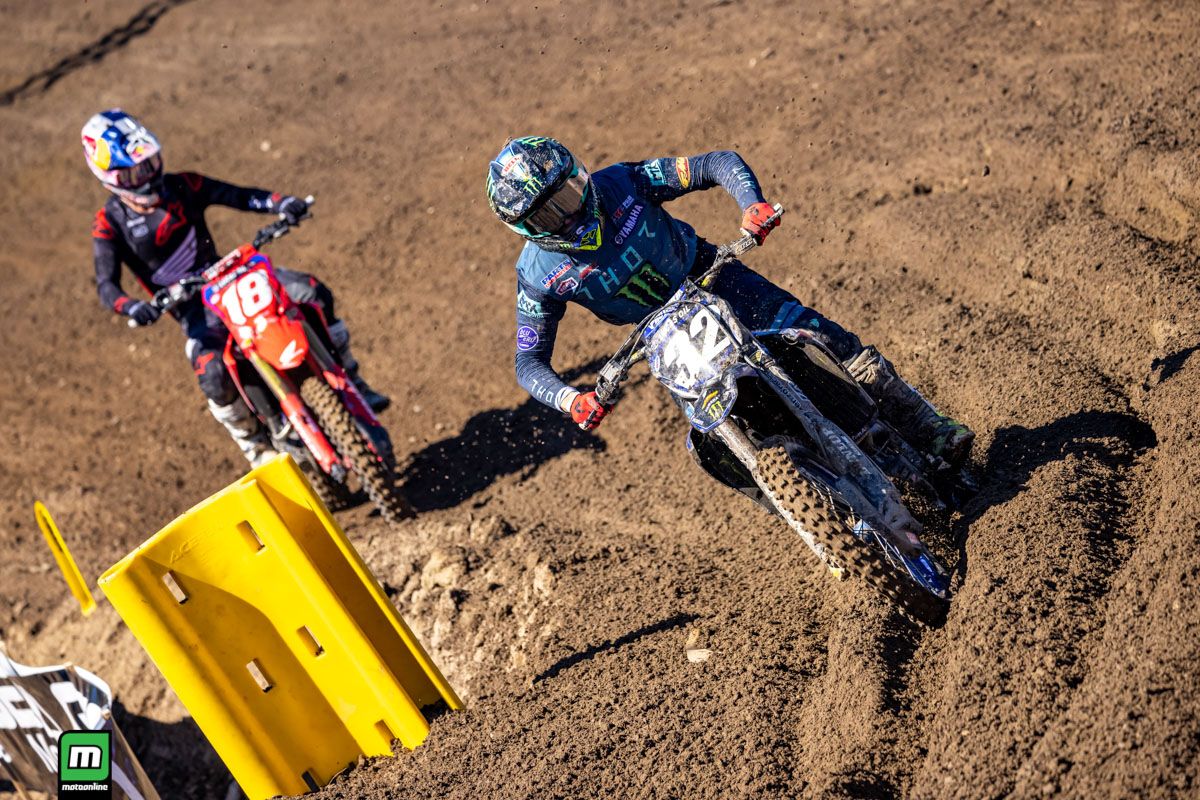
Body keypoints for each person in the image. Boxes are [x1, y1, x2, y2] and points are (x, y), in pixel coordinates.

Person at [486, 136, 974, 467]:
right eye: (549, 213)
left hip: (714, 278)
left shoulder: (621, 182)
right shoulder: (537, 275)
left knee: (819, 336)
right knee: (717, 443)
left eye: (570, 192)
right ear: (525, 228)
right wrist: (571, 399)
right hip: (660, 336)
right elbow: (528, 362)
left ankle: (927, 426)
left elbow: (713, 163)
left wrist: (750, 203)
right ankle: (819, 513)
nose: (569, 213)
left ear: (580, 173)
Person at [84, 109, 388, 467]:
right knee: (211, 371)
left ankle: (352, 378)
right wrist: (132, 306)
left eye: (150, 164)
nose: (149, 177)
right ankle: (256, 446)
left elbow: (238, 196)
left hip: (232, 275)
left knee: (310, 292)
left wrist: (280, 203)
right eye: (136, 172)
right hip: (193, 307)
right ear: (111, 178)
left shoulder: (183, 185)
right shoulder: (109, 224)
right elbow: (106, 285)